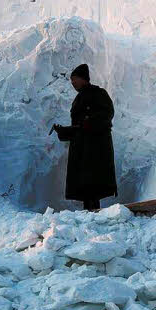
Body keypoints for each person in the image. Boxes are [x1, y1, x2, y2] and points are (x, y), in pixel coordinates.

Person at [51, 64, 117, 211]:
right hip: (82, 149)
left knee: (94, 183)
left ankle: (94, 213)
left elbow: (107, 114)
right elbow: (79, 127)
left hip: (95, 148)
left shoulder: (99, 94)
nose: (72, 83)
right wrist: (63, 131)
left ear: (83, 79)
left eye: (74, 79)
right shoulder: (79, 98)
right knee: (85, 184)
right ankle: (89, 212)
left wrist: (88, 124)